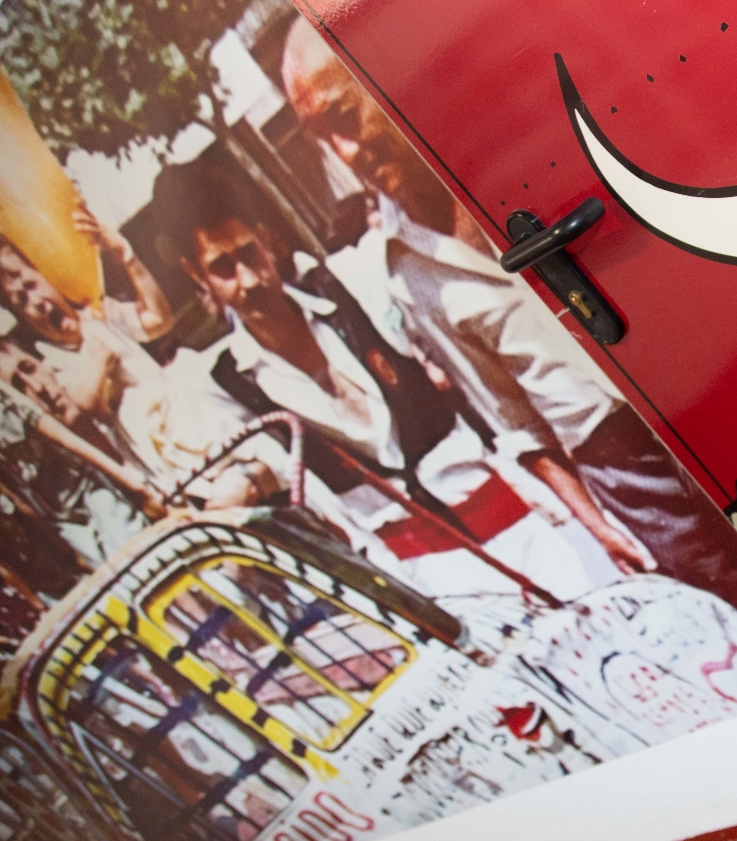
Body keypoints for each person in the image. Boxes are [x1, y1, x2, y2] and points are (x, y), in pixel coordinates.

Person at [278, 18, 737, 633]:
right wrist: (599, 525)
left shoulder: (518, 157)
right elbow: (515, 423)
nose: (345, 154)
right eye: (321, 139)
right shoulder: (404, 271)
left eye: (342, 118)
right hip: (622, 466)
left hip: (698, 391)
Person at [151, 159, 622, 646]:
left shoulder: (351, 284)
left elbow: (486, 381)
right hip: (429, 576)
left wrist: (584, 512)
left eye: (249, 254)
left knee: (603, 639)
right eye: (222, 268)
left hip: (510, 515)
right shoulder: (225, 383)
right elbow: (264, 471)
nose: (248, 280)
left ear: (266, 241)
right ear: (195, 274)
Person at [0, 207, 208, 486]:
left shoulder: (97, 314)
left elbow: (159, 320)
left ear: (48, 279)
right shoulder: (48, 363)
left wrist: (127, 256)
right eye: (22, 301)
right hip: (157, 463)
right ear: (23, 318)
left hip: (187, 420)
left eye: (32, 285)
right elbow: (79, 407)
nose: (37, 302)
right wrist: (98, 361)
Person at [0, 341, 165, 570]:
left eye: (30, 368)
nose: (37, 388)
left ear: (42, 362)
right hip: (77, 521)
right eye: (19, 386)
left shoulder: (97, 397)